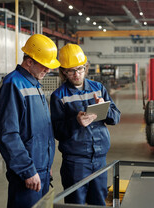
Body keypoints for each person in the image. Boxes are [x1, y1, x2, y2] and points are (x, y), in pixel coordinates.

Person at [50, 43, 121, 206]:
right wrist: (75, 122)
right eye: (71, 70)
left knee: (99, 202)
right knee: (76, 203)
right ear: (63, 72)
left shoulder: (98, 88)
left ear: (85, 67)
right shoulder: (59, 96)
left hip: (100, 158)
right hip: (76, 162)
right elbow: (57, 131)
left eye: (80, 69)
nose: (76, 74)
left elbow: (116, 117)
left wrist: (106, 108)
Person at [0, 34, 60, 208]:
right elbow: (8, 134)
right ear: (29, 61)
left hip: (41, 169)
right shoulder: (13, 84)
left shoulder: (33, 83)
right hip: (28, 172)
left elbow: (40, 129)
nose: (48, 70)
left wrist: (46, 165)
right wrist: (27, 170)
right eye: (44, 65)